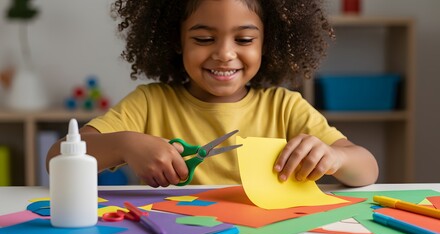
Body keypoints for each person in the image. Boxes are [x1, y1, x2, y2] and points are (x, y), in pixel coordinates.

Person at [47, 0, 378, 188]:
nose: (224, 53)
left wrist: (337, 158)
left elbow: (367, 169)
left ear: (268, 42)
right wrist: (123, 144)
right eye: (204, 39)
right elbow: (56, 159)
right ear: (176, 41)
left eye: (244, 40)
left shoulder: (285, 106)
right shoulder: (150, 102)